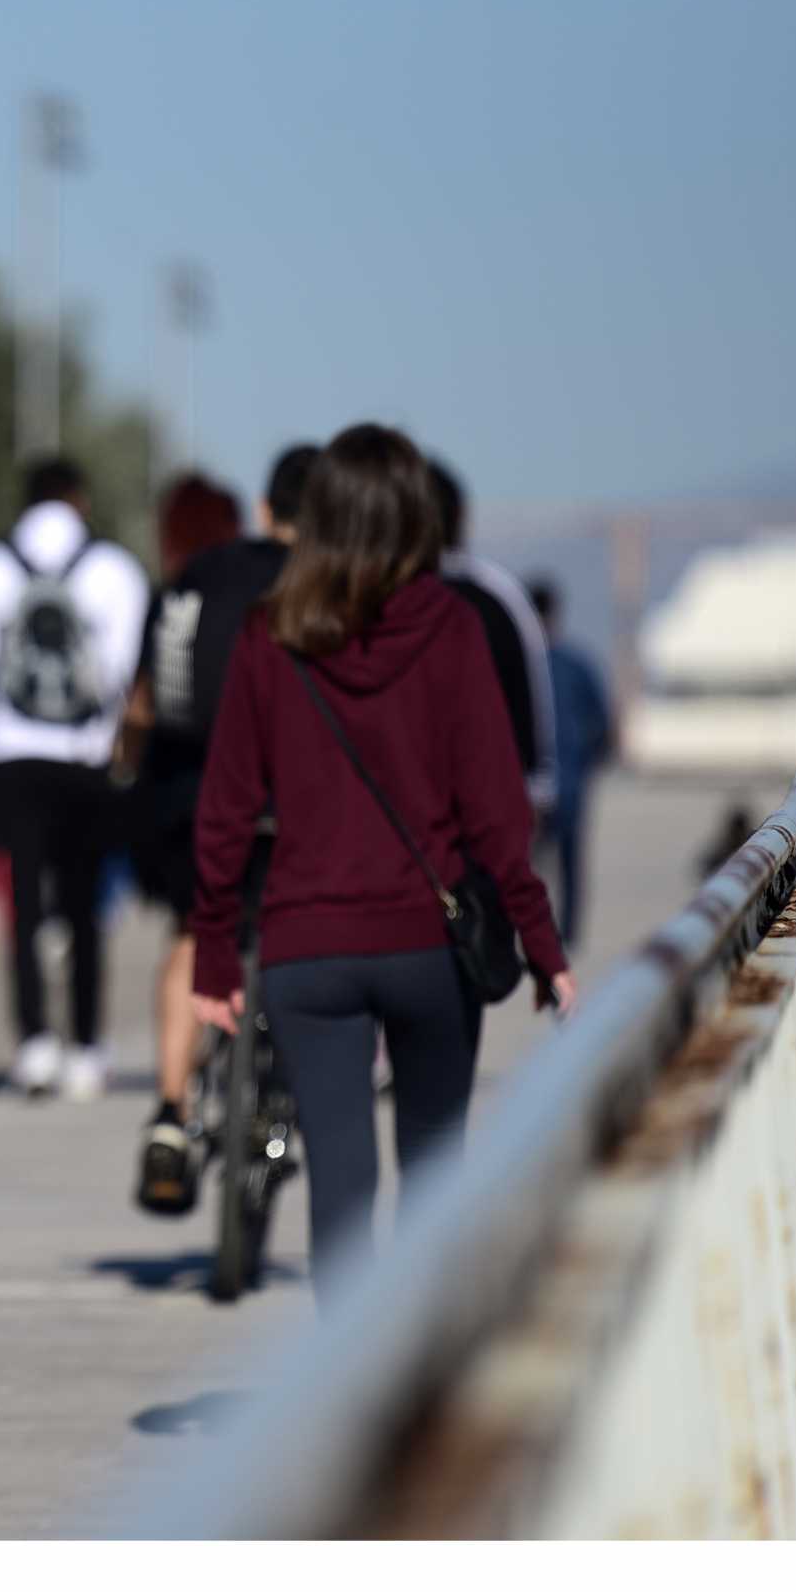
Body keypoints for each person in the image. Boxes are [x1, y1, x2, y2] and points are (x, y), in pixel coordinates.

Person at [190, 424, 572, 1301]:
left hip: (304, 953)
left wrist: (215, 951)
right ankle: (419, 1400)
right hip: (426, 951)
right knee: (436, 1183)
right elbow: (495, 815)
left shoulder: (270, 632)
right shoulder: (453, 628)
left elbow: (226, 809)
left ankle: (346, 1401)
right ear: (415, 517)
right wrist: (543, 948)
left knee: (341, 1188)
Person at [121, 445, 318, 1210]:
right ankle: (292, 1084)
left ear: (266, 511)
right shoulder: (328, 585)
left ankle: (170, 1114)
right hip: (291, 801)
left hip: (188, 794)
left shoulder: (191, 581)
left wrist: (130, 778)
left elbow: (144, 703)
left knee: (190, 933)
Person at [0, 457, 150, 1102]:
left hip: (14, 755)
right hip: (86, 757)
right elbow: (126, 672)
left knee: (23, 905)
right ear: (80, 500)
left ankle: (34, 1045)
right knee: (86, 908)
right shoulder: (113, 569)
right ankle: (86, 1047)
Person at [428, 462, 557, 819]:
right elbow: (532, 698)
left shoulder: (385, 597)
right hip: (494, 812)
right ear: (460, 515)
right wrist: (535, 786)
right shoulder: (498, 597)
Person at [528, 578, 614, 944]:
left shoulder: (521, 666)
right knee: (570, 864)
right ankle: (568, 935)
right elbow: (603, 726)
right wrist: (589, 762)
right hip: (571, 782)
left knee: (526, 864)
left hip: (529, 785)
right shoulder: (576, 664)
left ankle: (531, 931)